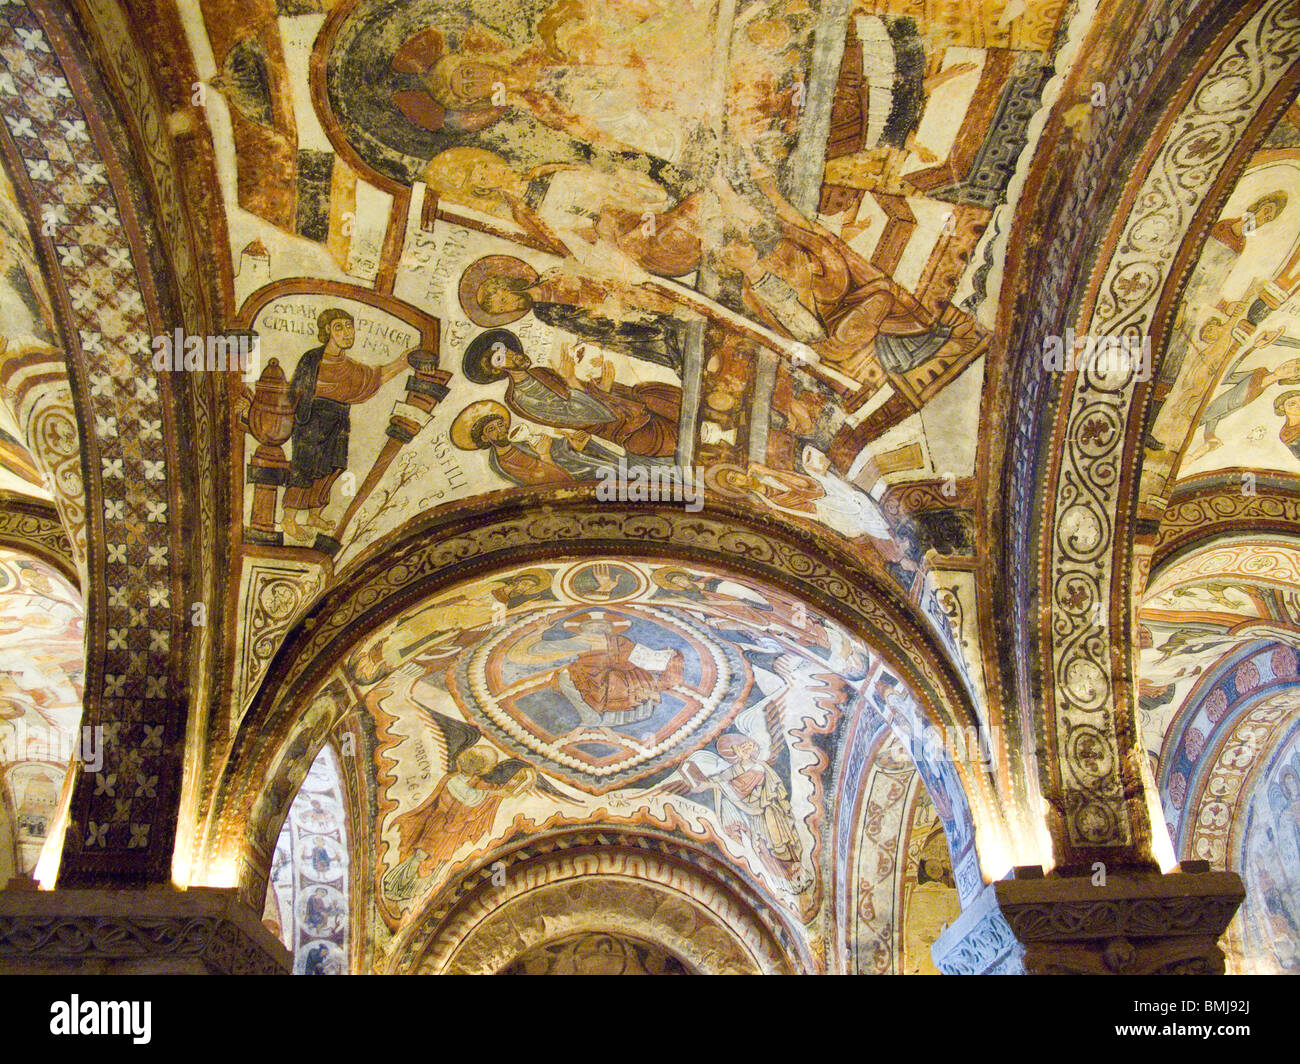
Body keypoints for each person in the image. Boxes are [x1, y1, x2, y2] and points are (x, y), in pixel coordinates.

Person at [283, 309, 408, 540]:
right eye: (339, 327)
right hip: (313, 418)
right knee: (305, 468)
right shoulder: (312, 359)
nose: (346, 332)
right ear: (327, 331)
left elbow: (373, 379)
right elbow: (295, 391)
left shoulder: (349, 366)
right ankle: (289, 519)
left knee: (333, 467)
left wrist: (402, 362)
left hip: (339, 417)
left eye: (349, 326)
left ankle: (314, 514)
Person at [461, 330, 680, 458]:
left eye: (506, 349)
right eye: (500, 358)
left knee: (648, 392)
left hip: (630, 410)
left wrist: (603, 386)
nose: (511, 354)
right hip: (630, 430)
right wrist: (572, 380)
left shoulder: (538, 373)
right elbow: (587, 415)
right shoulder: (521, 398)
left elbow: (592, 397)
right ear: (498, 370)